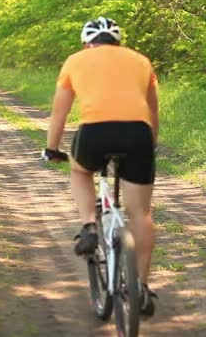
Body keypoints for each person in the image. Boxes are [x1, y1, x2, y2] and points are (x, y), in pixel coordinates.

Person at [41, 17, 159, 315]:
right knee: (141, 214)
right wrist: (149, 144)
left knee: (80, 171)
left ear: (87, 42)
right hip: (138, 134)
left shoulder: (75, 61)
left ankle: (89, 226)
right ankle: (142, 289)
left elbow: (60, 113)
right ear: (117, 41)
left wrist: (52, 149)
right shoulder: (141, 61)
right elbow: (152, 110)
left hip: (95, 131)